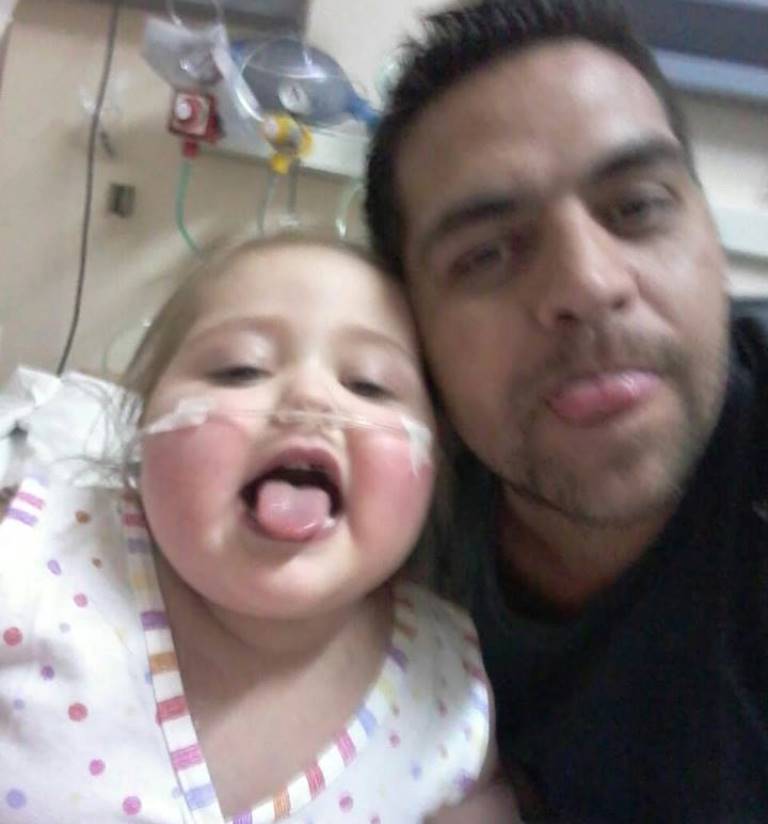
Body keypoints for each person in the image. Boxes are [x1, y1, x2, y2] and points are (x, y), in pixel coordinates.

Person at [365, 0, 768, 821]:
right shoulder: (374, 531)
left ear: (710, 239)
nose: (587, 284)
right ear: (411, 325)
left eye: (638, 208)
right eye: (486, 253)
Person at [0, 234, 518, 823]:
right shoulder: (32, 560)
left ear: (439, 468)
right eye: (239, 369)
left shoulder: (445, 682)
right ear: (142, 431)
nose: (309, 397)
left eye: (370, 385)